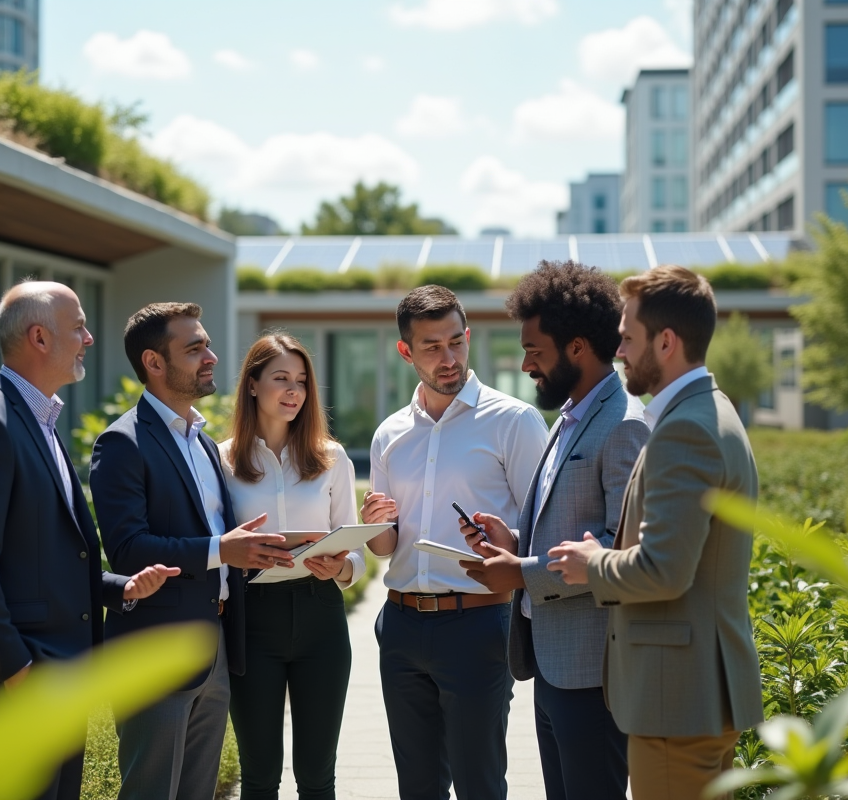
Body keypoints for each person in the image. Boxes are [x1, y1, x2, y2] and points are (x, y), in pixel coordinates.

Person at [0, 281, 177, 800]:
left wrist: (121, 587)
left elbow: (44, 554)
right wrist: (16, 669)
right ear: (39, 338)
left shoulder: (38, 417)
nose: (90, 338)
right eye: (78, 327)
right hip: (20, 684)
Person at [548, 265, 764, 800]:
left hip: (677, 701)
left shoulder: (686, 429)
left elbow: (664, 570)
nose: (618, 350)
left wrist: (591, 564)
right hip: (693, 695)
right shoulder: (708, 413)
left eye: (627, 338)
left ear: (666, 342)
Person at [89, 302, 296, 800]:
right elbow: (127, 548)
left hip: (215, 648)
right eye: (195, 348)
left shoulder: (203, 443)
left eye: (206, 344)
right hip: (154, 650)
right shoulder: (122, 443)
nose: (212, 356)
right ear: (154, 364)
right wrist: (221, 549)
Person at [458, 262, 648, 800]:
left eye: (535, 351)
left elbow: (622, 550)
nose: (525, 365)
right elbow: (570, 526)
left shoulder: (624, 423)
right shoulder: (569, 417)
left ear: (579, 348)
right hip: (554, 663)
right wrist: (515, 543)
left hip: (594, 672)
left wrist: (520, 573)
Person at [362, 285, 549, 800]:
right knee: (417, 788)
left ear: (468, 337)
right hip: (399, 627)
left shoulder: (514, 421)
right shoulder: (389, 435)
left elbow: (544, 527)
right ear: (405, 351)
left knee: (478, 784)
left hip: (479, 626)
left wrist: (507, 540)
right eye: (431, 347)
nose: (448, 358)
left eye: (456, 342)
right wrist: (374, 524)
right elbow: (383, 548)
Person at [218, 332, 362, 800]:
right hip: (251, 619)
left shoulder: (331, 458)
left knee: (318, 776)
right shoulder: (218, 459)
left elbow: (354, 548)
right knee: (259, 776)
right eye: (281, 378)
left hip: (320, 615)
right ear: (253, 385)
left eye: (301, 380)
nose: (293, 390)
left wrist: (339, 569)